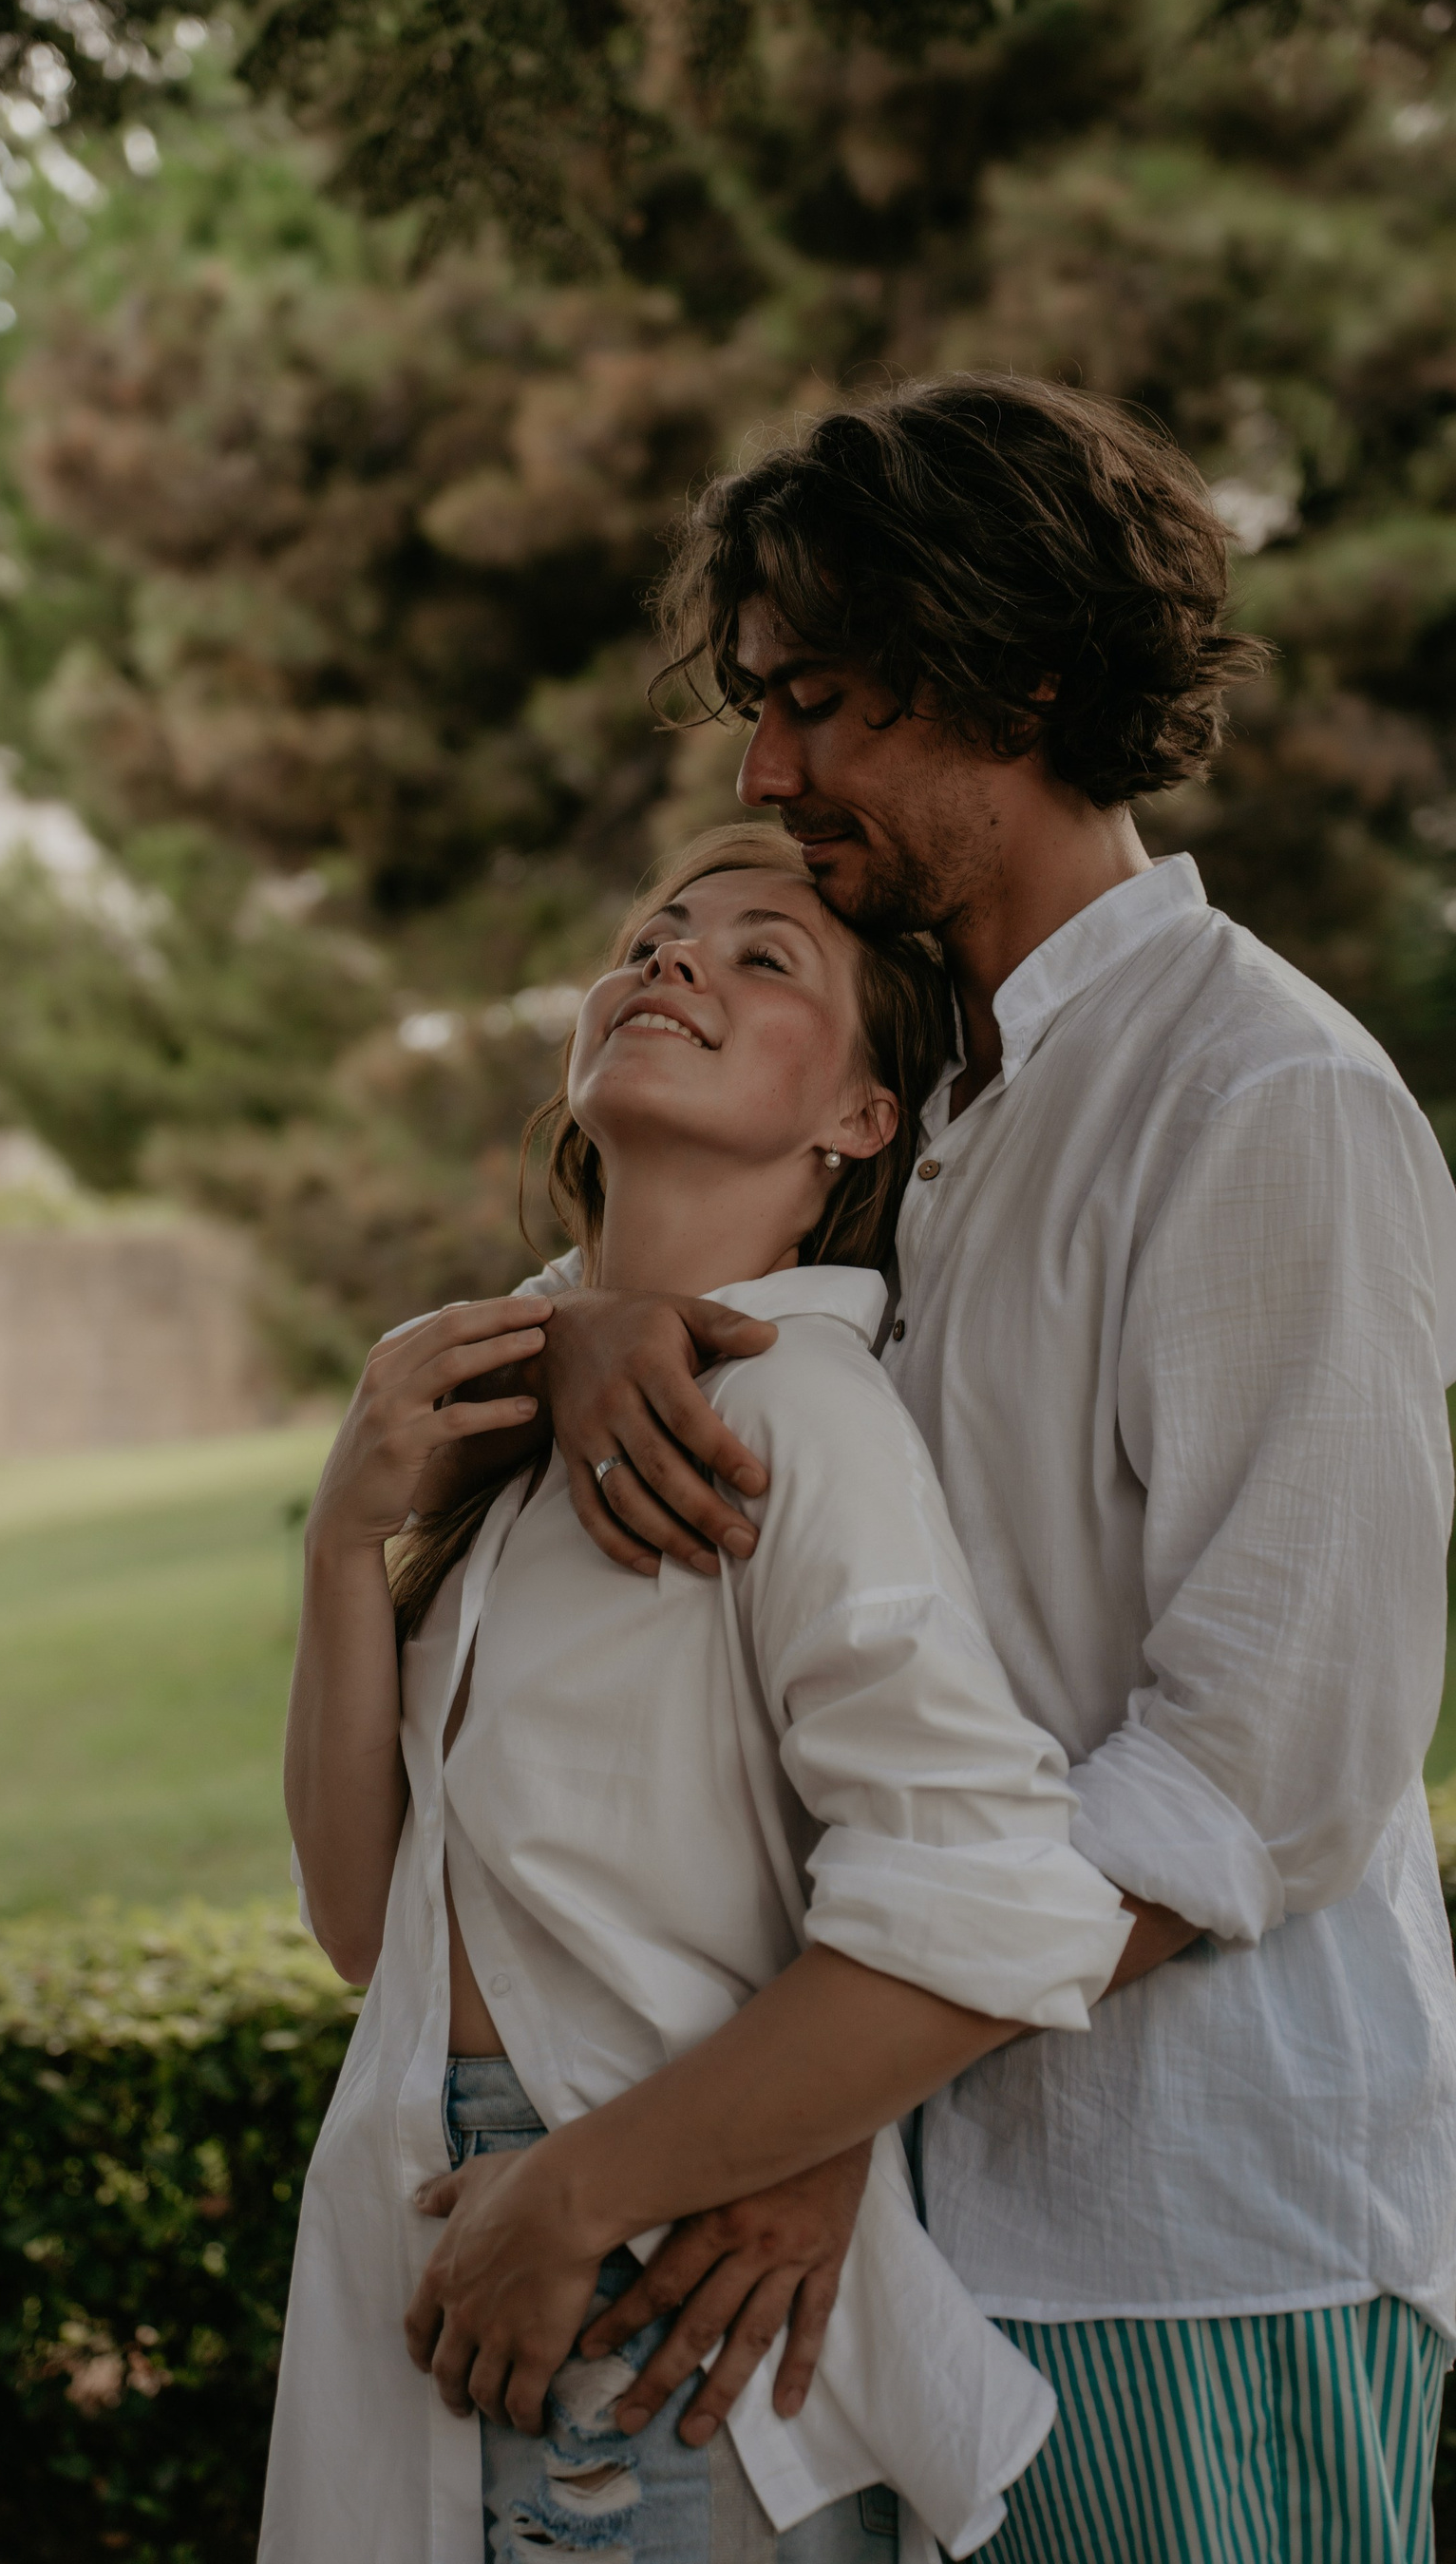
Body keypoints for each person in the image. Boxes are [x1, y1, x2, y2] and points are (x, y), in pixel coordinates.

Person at [410, 376, 1456, 2564]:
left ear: (1023, 679)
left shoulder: (1262, 1099)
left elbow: (1261, 1771)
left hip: (1196, 2245)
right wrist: (595, 1321)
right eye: (761, 706)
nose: (765, 774)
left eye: (821, 703)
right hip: (922, 2248)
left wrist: (786, 2117)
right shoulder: (948, 1109)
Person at [258, 825, 1140, 2564]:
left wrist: (578, 2197)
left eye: (762, 956)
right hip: (429, 2207)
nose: (673, 960)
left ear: (861, 1120)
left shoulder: (794, 1417)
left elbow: (989, 1893)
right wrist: (345, 1543)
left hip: (637, 2258)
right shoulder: (515, 1426)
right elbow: (365, 1923)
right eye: (658, 936)